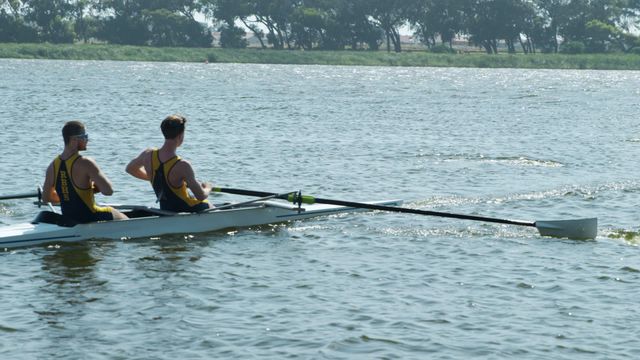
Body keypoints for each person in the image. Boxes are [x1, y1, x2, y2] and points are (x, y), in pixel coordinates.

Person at [42, 121, 128, 223]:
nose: (87, 140)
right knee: (120, 216)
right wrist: (94, 188)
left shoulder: (52, 166)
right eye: (85, 136)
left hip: (69, 219)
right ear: (74, 139)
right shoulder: (86, 163)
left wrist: (70, 197)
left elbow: (46, 198)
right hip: (91, 216)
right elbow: (108, 191)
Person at [125, 114, 213, 212]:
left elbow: (130, 169)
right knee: (208, 203)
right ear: (180, 136)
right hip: (188, 210)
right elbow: (201, 196)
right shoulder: (183, 165)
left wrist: (154, 178)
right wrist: (207, 188)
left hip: (166, 210)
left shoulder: (148, 154)